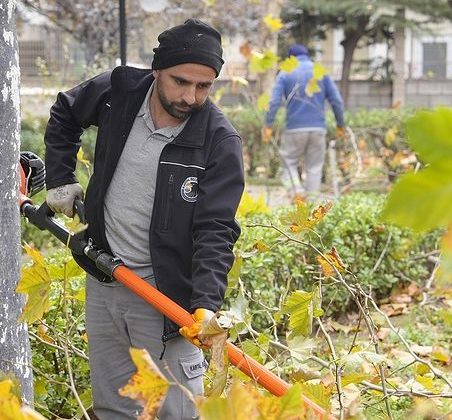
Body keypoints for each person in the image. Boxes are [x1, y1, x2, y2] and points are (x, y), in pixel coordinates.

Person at [43, 19, 244, 420]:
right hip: (105, 277)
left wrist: (204, 304)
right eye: (180, 82)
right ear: (157, 70)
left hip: (164, 296)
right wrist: (61, 179)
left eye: (203, 87)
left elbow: (216, 230)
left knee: (178, 412)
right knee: (114, 407)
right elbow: (65, 112)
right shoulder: (121, 91)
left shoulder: (219, 141)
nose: (190, 96)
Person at [263, 43, 345, 201]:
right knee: (314, 168)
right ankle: (311, 205)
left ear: (291, 58)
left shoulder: (285, 73)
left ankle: (297, 194)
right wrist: (340, 124)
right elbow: (336, 101)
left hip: (294, 128)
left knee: (288, 164)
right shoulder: (320, 72)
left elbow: (273, 102)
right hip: (318, 128)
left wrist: (268, 125)